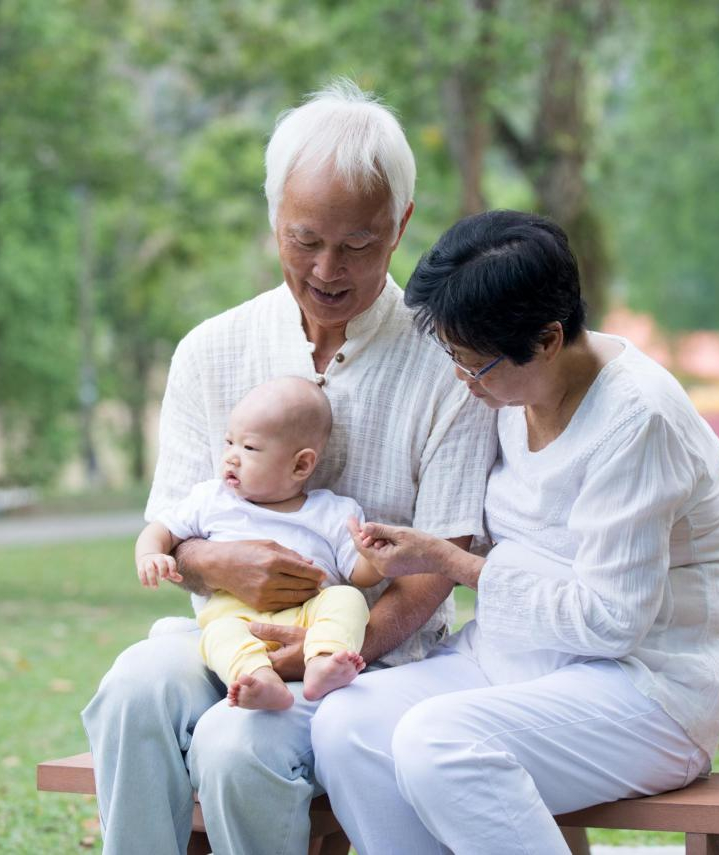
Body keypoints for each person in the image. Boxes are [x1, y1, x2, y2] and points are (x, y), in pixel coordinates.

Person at [81, 80, 496, 855]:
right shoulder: (211, 349)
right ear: (275, 218)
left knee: (236, 747)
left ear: (401, 224)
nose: (328, 269)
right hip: (222, 630)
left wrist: (324, 649)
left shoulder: (449, 365)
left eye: (360, 244)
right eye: (305, 240)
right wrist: (217, 559)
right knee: (130, 691)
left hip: (367, 660)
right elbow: (173, 526)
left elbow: (432, 572)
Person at [311, 210, 719, 854]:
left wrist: (454, 565)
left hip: (643, 692)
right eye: (452, 358)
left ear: (546, 339)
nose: (462, 380)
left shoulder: (637, 422)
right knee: (348, 724)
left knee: (438, 743)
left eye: (475, 365)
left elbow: (611, 622)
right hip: (514, 664)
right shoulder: (511, 396)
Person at [135, 376, 384, 711]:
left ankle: (324, 661)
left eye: (249, 448)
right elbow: (161, 529)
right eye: (229, 442)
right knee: (217, 634)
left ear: (301, 464)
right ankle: (259, 680)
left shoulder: (332, 512)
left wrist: (374, 556)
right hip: (237, 617)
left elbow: (361, 576)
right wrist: (151, 554)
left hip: (307, 619)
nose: (232, 457)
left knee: (348, 599)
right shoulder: (212, 500)